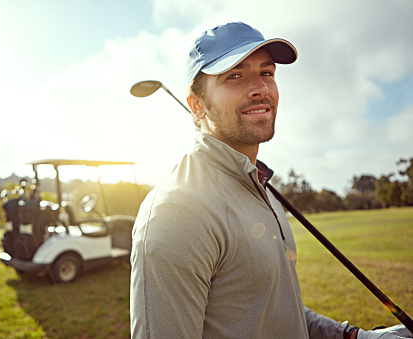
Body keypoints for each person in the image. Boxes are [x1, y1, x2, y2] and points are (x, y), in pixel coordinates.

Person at [130, 21, 412, 339]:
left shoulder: (264, 190)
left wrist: (356, 337)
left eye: (267, 73)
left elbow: (277, 311)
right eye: (234, 75)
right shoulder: (176, 213)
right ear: (197, 105)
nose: (261, 88)